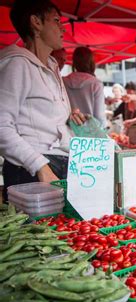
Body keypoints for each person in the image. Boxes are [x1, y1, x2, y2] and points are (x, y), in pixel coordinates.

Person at [0, 0, 86, 201]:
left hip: (59, 163)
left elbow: (42, 119)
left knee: (65, 231)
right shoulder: (17, 64)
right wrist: (39, 166)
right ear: (36, 22)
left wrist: (69, 120)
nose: (63, 28)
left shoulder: (51, 66)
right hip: (32, 170)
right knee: (42, 231)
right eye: (56, 21)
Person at [63, 46, 106, 127]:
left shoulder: (63, 81)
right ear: (91, 62)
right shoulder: (96, 84)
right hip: (89, 136)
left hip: (67, 132)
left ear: (74, 62)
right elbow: (100, 118)